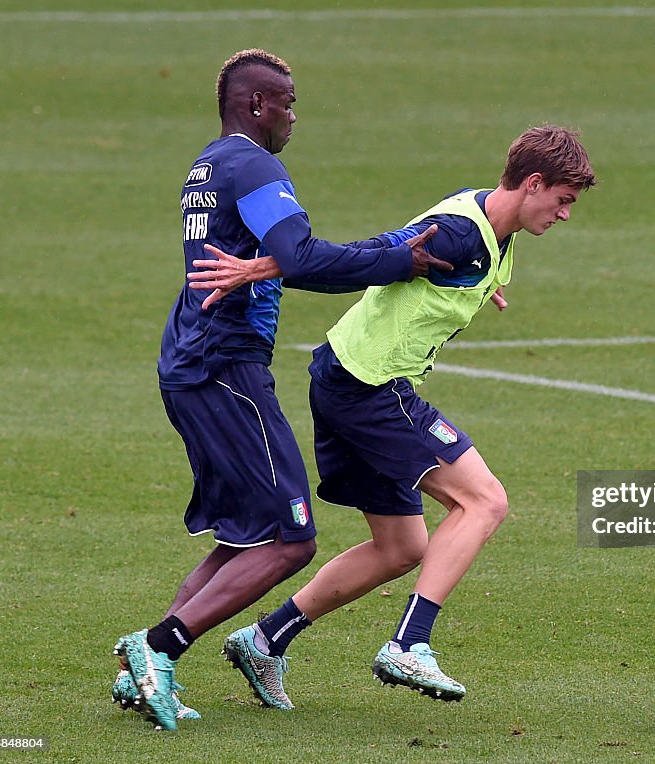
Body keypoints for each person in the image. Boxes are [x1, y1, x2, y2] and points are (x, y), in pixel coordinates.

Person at [187, 124, 596, 706]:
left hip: (343, 376)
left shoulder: (486, 222)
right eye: (562, 201)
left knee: (401, 547)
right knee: (484, 501)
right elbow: (375, 252)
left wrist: (480, 289)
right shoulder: (459, 236)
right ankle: (410, 644)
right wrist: (262, 269)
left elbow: (455, 264)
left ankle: (265, 640)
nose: (564, 215)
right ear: (534, 183)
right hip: (368, 388)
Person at [112, 48, 448, 732]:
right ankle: (158, 649)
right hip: (224, 370)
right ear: (258, 105)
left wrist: (387, 251)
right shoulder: (254, 164)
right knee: (291, 538)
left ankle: (136, 671)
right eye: (287, 103)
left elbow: (278, 260)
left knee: (244, 537)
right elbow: (297, 257)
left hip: (193, 362)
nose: (293, 117)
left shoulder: (206, 166)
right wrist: (398, 260)